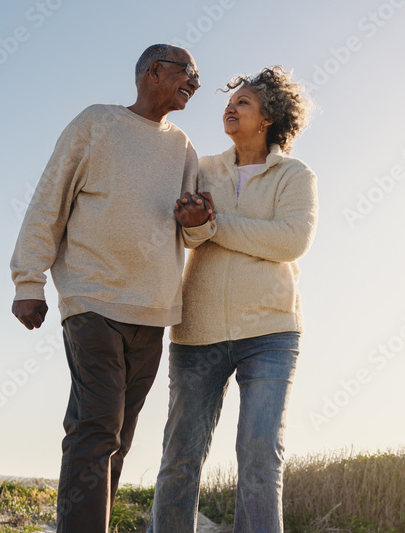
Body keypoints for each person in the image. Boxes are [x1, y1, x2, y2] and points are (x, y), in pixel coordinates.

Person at [9, 43, 210, 533]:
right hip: (92, 299)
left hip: (153, 311)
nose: (197, 83)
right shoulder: (96, 123)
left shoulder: (182, 145)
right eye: (190, 72)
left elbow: (192, 230)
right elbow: (48, 201)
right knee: (98, 425)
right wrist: (28, 280)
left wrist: (198, 221)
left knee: (112, 432)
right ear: (154, 71)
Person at [148, 66, 318, 533]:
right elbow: (192, 238)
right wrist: (200, 223)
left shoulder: (295, 175)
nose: (230, 107)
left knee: (260, 454)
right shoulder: (202, 169)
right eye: (231, 100)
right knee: (181, 454)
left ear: (269, 118)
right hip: (198, 331)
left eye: (243, 102)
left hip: (270, 333)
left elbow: (291, 240)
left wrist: (216, 222)